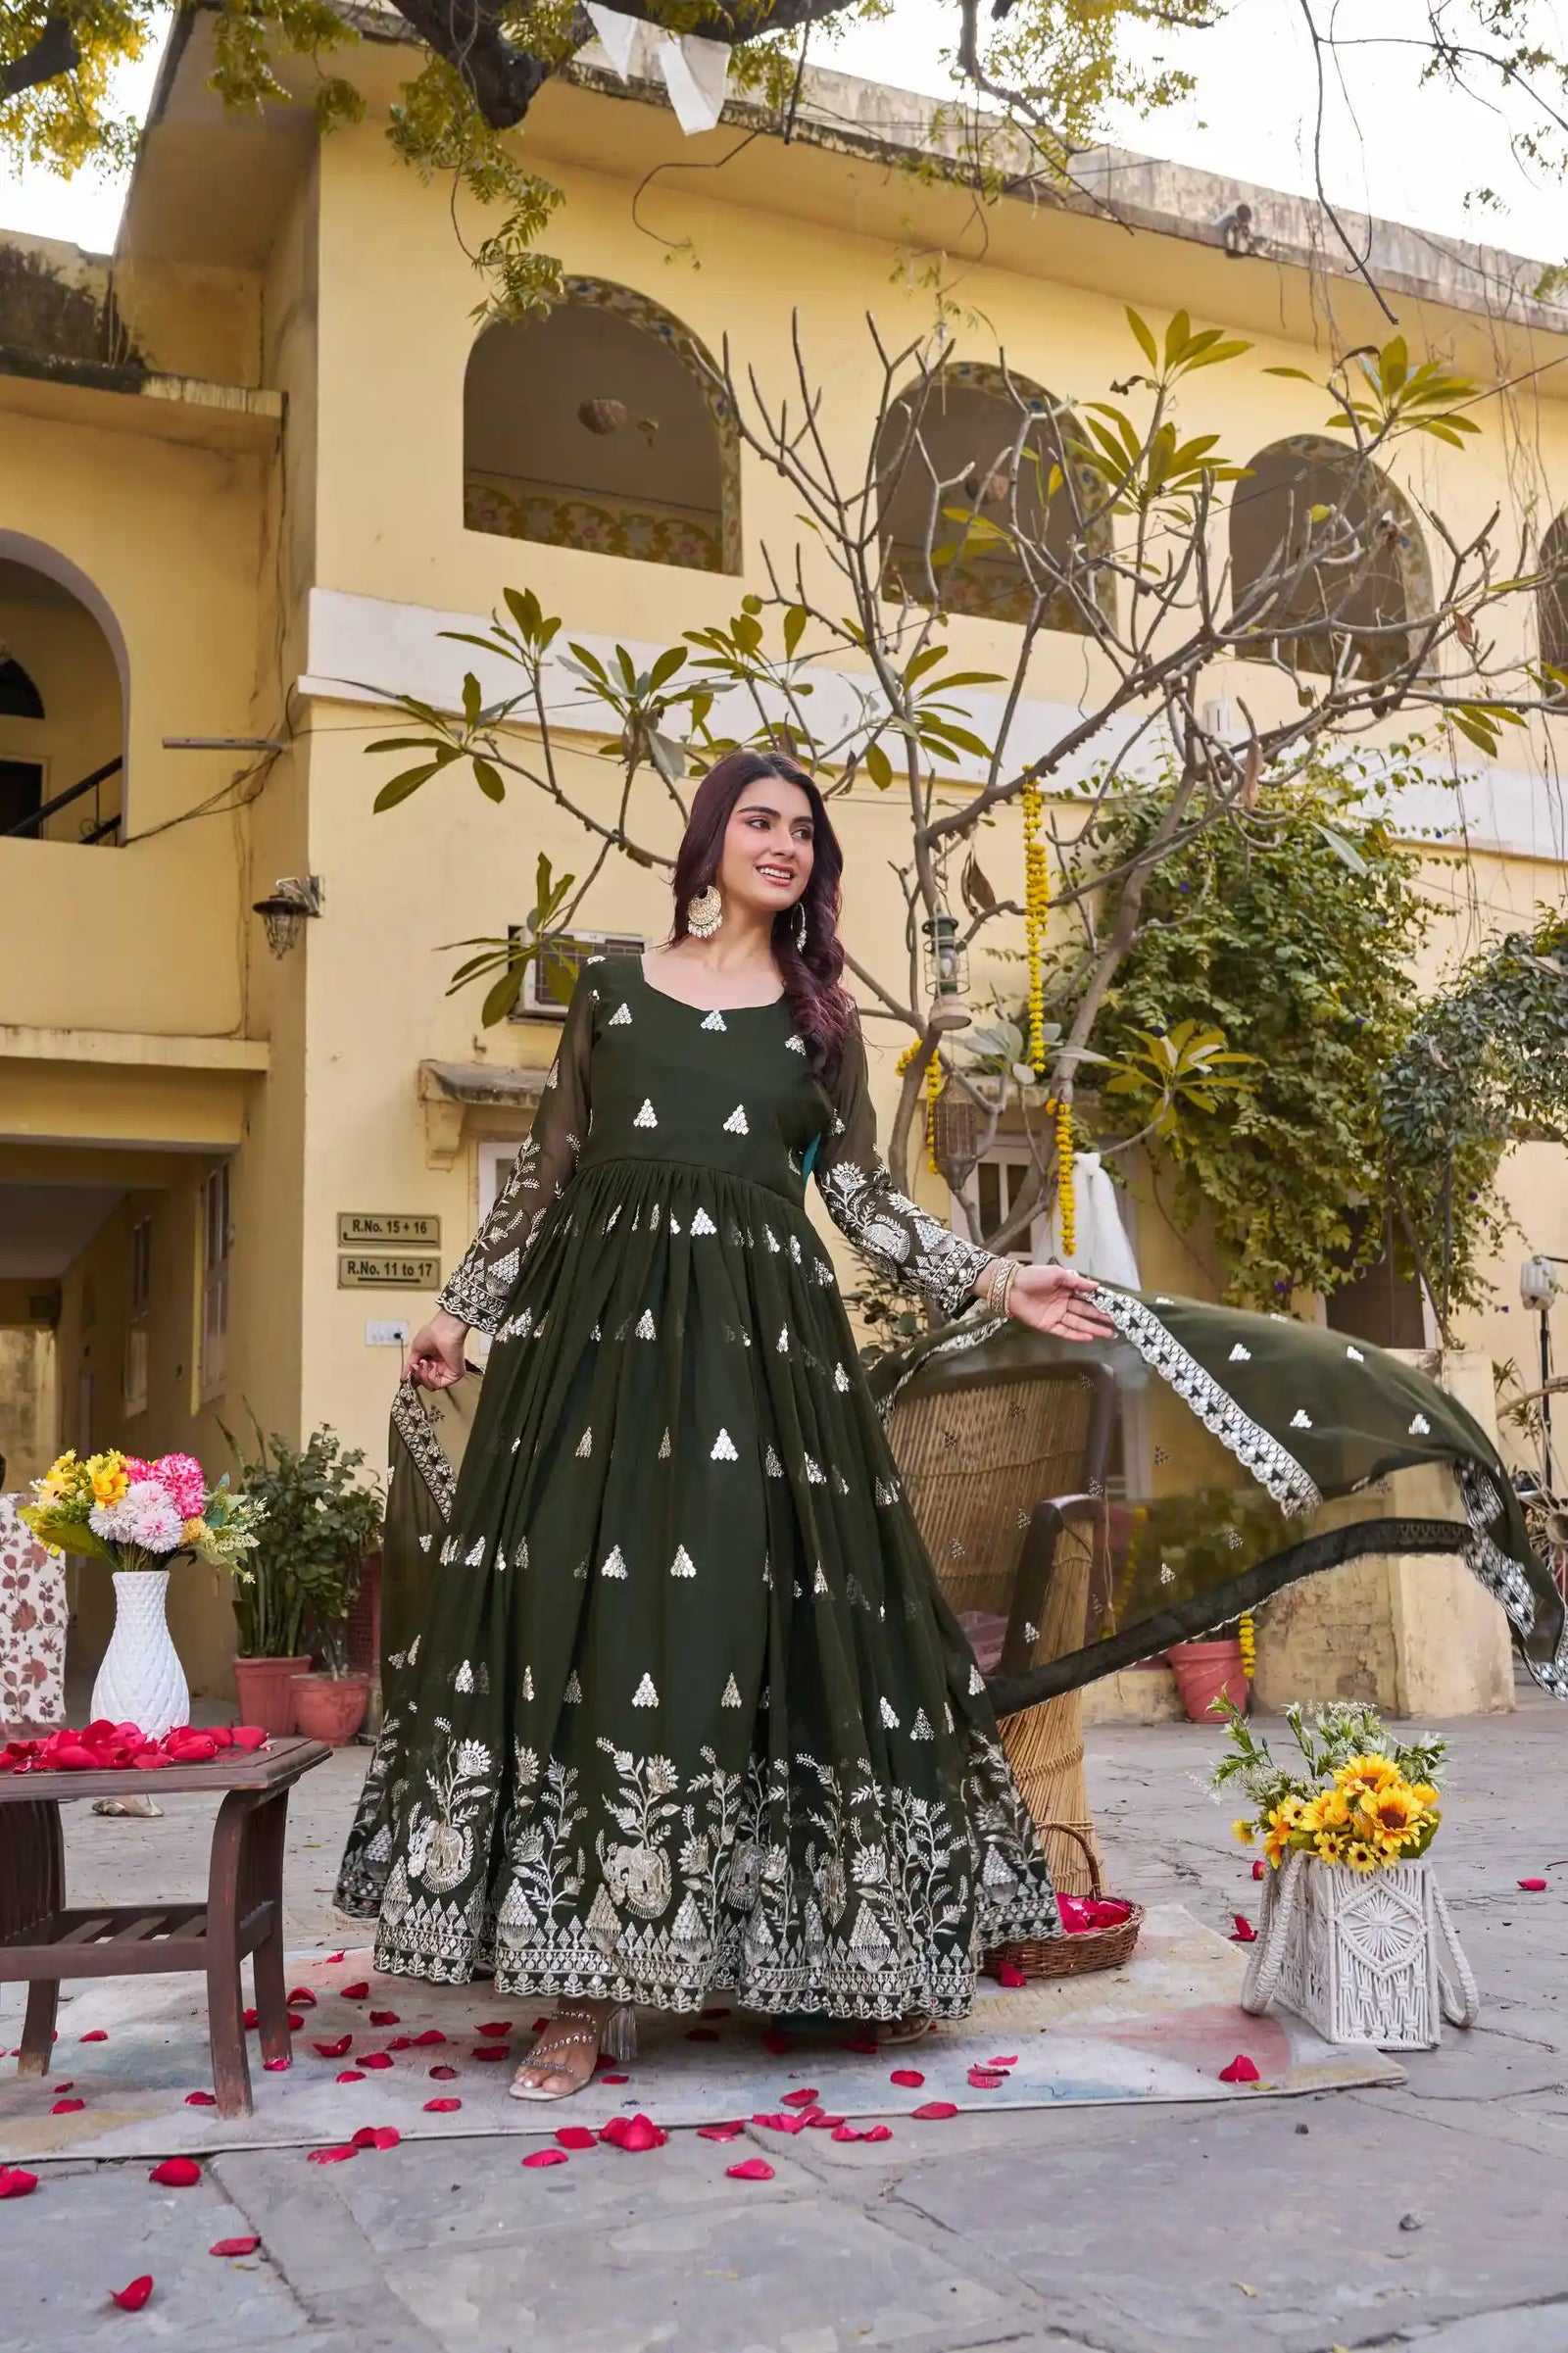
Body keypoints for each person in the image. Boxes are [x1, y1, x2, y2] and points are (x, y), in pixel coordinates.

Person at [336, 747, 1115, 2099]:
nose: (786, 843)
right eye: (760, 820)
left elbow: (863, 1201)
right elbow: (550, 1167)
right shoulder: (616, 988)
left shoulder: (818, 1023)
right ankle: (578, 1995)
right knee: (585, 1625)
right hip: (593, 1355)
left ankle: (780, 1947)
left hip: (762, 1368)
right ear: (709, 840)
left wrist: (996, 1275)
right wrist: (462, 1305)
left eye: (805, 831)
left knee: (741, 1624)